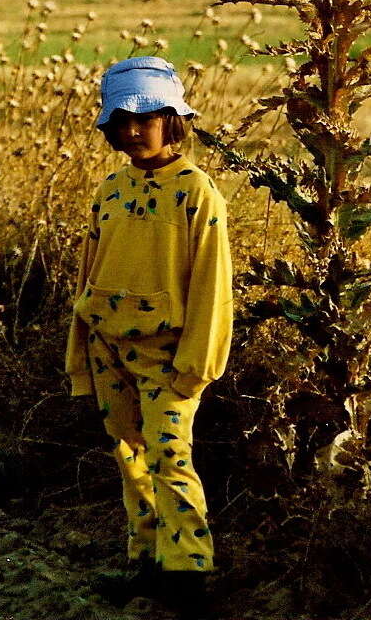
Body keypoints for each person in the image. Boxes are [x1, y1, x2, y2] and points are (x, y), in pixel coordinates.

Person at [65, 55, 233, 618]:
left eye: (147, 118)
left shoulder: (196, 192)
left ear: (172, 119)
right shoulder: (110, 189)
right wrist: (80, 354)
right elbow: (90, 271)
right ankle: (147, 561)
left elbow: (213, 279)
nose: (133, 131)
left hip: (168, 354)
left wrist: (199, 361)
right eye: (121, 121)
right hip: (106, 343)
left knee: (170, 457)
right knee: (128, 454)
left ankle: (189, 573)